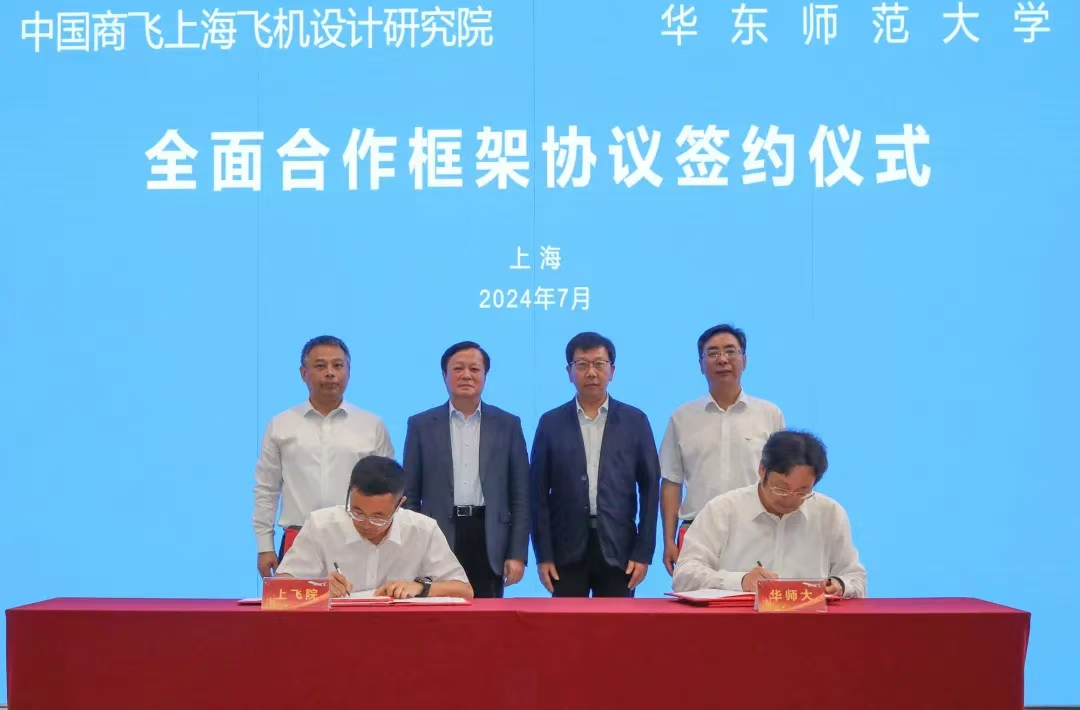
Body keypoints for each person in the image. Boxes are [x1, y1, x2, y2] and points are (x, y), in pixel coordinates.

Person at [252, 335, 395, 578]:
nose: (330, 373)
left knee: (358, 604)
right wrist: (264, 545)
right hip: (299, 540)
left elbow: (387, 493)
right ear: (303, 373)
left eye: (338, 365)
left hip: (358, 540)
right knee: (297, 605)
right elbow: (266, 489)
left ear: (348, 371)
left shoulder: (372, 425)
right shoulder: (281, 425)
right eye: (320, 366)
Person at [530, 332, 660, 598]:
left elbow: (650, 489)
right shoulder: (550, 422)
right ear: (569, 372)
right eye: (582, 364)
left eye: (599, 364)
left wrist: (643, 552)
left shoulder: (635, 421)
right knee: (566, 623)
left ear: (612, 370)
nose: (591, 372)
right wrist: (543, 555)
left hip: (620, 550)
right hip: (565, 551)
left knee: (617, 624)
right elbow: (537, 494)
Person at [671, 430, 866, 598]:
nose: (790, 499)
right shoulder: (723, 510)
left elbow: (856, 579)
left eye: (802, 491)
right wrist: (740, 581)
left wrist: (840, 585)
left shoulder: (829, 514)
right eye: (781, 488)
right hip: (737, 624)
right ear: (762, 470)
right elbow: (684, 576)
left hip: (808, 624)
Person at [402, 341, 530, 598]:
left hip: (489, 535)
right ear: (444, 375)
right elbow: (410, 495)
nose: (466, 375)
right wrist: (414, 549)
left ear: (485, 376)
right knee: (439, 612)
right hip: (437, 533)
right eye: (458, 368)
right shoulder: (421, 425)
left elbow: (520, 495)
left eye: (474, 369)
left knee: (488, 616)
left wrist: (517, 554)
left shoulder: (507, 424)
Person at [659, 324, 785, 576]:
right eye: (713, 353)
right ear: (701, 364)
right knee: (697, 598)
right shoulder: (682, 418)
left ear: (744, 360)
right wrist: (669, 540)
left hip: (756, 530)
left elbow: (782, 479)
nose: (723, 359)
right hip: (697, 531)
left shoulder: (769, 414)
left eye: (730, 351)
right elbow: (671, 482)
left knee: (754, 597)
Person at [276, 455, 473, 599]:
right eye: (357, 512)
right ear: (349, 494)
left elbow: (464, 590)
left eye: (379, 517)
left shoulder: (423, 529)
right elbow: (277, 589)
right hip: (333, 629)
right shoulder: (321, 525)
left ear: (400, 504)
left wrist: (420, 587)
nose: (366, 524)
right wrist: (318, 587)